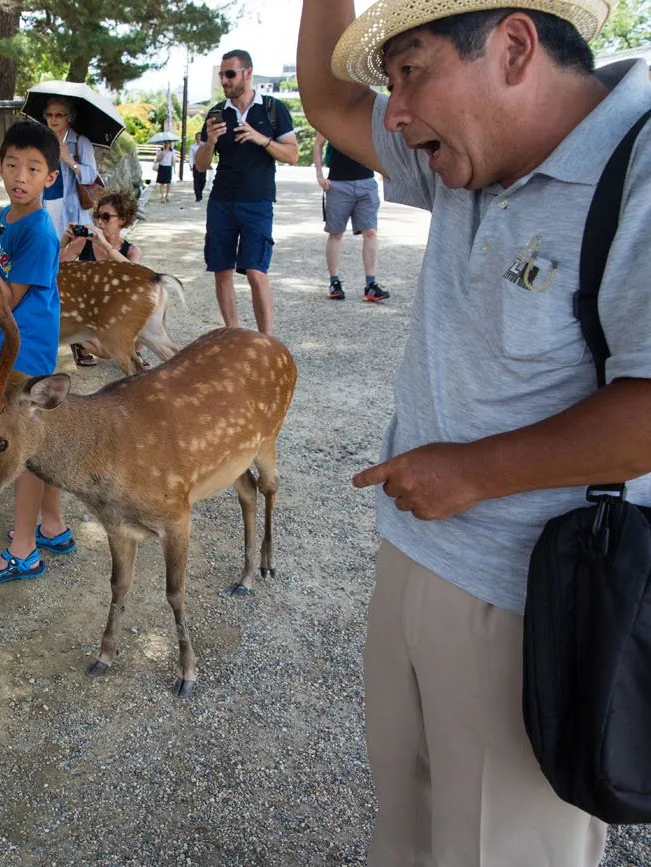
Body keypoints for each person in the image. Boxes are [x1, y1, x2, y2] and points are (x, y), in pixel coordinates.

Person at [299, 0, 651, 863]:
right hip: (414, 554)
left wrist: (475, 473)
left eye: (411, 69)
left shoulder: (639, 169)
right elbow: (327, 101)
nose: (399, 111)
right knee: (408, 817)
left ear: (515, 47)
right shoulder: (461, 158)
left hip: (537, 599)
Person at [0, 121, 71, 584]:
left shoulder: (37, 232)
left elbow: (5, 299)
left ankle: (24, 550)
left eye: (33, 168)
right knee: (38, 444)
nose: (19, 176)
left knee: (21, 451)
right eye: (12, 164)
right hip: (1, 348)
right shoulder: (10, 220)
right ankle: (53, 526)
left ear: (50, 178)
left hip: (23, 355)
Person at [193, 49, 299, 334]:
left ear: (247, 72)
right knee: (221, 269)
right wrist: (209, 143)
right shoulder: (216, 113)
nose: (225, 81)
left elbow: (292, 155)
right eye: (221, 75)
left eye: (230, 74)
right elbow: (201, 166)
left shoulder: (273, 109)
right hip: (222, 201)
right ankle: (232, 334)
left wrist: (261, 139)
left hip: (258, 201)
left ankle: (266, 341)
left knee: (255, 271)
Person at [58, 189, 144, 368]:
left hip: (115, 308)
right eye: (97, 216)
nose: (99, 222)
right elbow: (53, 267)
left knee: (140, 334)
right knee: (106, 352)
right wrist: (65, 240)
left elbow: (136, 274)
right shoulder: (83, 243)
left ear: (122, 220)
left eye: (106, 217)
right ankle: (78, 340)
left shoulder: (131, 251)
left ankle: (128, 350)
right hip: (86, 309)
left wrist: (105, 246)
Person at [312, 132, 388, 302]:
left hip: (367, 182)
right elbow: (318, 144)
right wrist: (319, 175)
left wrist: (384, 169)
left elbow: (381, 142)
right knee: (336, 233)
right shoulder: (332, 117)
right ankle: (334, 282)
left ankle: (371, 284)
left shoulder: (365, 116)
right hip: (338, 184)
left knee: (371, 232)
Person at [39, 96, 98, 232]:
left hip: (70, 209)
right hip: (44, 203)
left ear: (69, 118)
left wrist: (69, 160)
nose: (53, 119)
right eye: (49, 114)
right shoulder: (41, 142)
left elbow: (91, 176)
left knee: (69, 250)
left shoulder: (81, 142)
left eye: (59, 115)